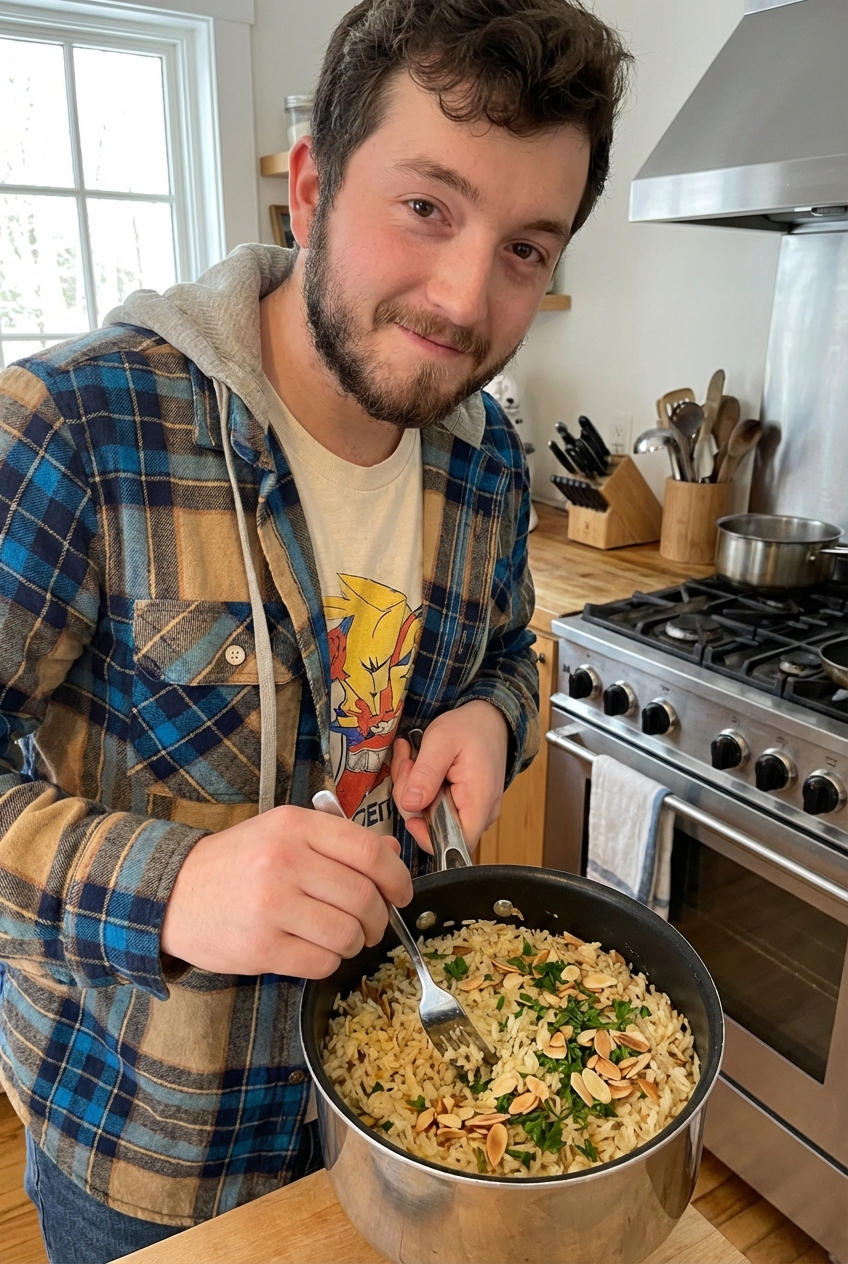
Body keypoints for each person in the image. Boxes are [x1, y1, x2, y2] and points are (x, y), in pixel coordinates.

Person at [0, 0, 630, 1259]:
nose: (463, 298)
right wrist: (173, 889)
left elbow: (508, 656)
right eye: (426, 206)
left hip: (418, 1113)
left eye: (524, 247)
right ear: (309, 188)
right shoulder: (76, 426)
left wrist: (490, 717)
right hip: (155, 1150)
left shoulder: (484, 459)